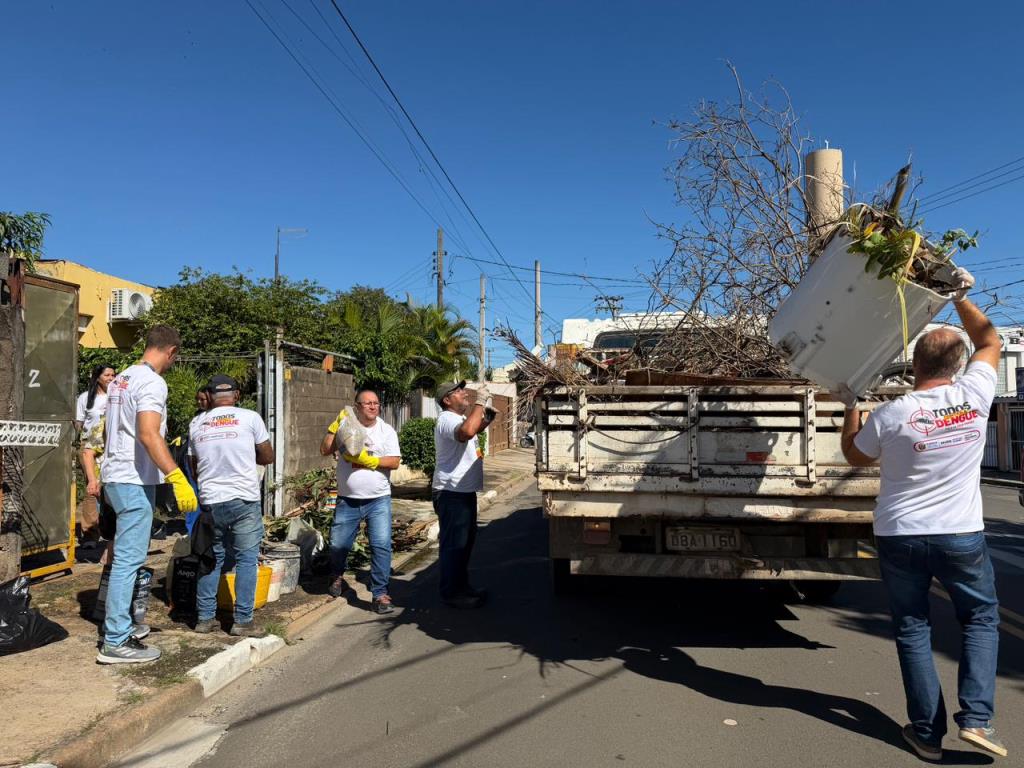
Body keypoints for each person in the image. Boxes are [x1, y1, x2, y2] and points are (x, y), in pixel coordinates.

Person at [842, 268, 1007, 760]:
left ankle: (928, 735)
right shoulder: (974, 395)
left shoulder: (892, 413)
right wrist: (958, 297)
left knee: (913, 627)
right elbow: (990, 338)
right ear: (958, 365)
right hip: (961, 535)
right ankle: (976, 719)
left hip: (900, 536)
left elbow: (855, 456)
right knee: (979, 618)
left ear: (914, 364)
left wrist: (851, 404)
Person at [96, 325, 198, 664]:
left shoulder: (121, 378)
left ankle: (123, 628)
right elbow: (148, 433)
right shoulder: (153, 382)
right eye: (174, 359)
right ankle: (116, 640)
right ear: (171, 352)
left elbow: (112, 430)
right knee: (128, 561)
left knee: (125, 559)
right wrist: (176, 475)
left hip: (116, 476)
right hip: (132, 480)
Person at [191, 375, 274, 637]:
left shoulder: (196, 423)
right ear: (236, 395)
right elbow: (268, 456)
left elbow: (194, 468)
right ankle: (242, 621)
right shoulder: (250, 418)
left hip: (211, 502)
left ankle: (204, 619)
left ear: (210, 396)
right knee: (246, 560)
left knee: (210, 560)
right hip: (244, 500)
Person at [319, 389, 402, 614]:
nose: (373, 407)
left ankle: (380, 594)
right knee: (338, 545)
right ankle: (337, 575)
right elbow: (325, 449)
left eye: (376, 403)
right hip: (348, 500)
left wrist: (369, 460)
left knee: (381, 546)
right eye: (367, 403)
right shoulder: (347, 427)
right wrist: (333, 428)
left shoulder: (386, 431)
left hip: (378, 499)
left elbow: (394, 462)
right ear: (357, 407)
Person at [432, 380, 495, 609]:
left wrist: (486, 417)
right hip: (451, 492)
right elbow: (467, 432)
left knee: (465, 544)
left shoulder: (457, 419)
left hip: (463, 491)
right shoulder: (447, 419)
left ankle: (462, 587)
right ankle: (451, 593)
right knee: (453, 546)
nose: (463, 392)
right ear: (447, 400)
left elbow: (472, 428)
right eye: (457, 391)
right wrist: (479, 402)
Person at [76, 364, 115, 540]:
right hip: (89, 446)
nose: (111, 378)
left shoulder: (116, 396)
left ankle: (110, 529)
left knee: (110, 486)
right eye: (107, 375)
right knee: (92, 488)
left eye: (113, 375)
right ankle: (90, 533)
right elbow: (78, 423)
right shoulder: (85, 398)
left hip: (110, 444)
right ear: (97, 377)